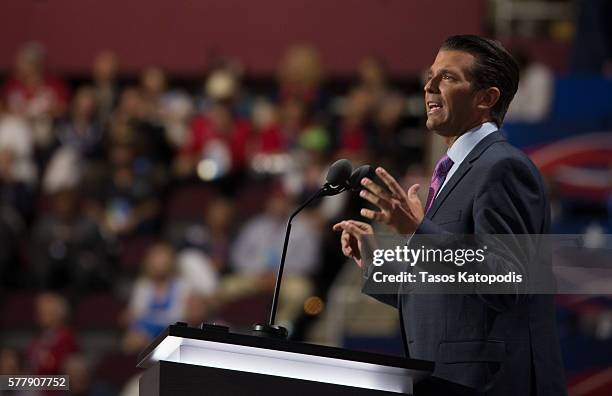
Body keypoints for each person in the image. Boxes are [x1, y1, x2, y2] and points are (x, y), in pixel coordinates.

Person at [333, 35, 566, 395]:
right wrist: (374, 262)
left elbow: (504, 281)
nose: (429, 86)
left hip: (489, 384)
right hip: (443, 380)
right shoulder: (453, 171)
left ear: (486, 98)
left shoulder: (502, 167)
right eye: (430, 75)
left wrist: (416, 231)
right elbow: (442, 291)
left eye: (448, 77)